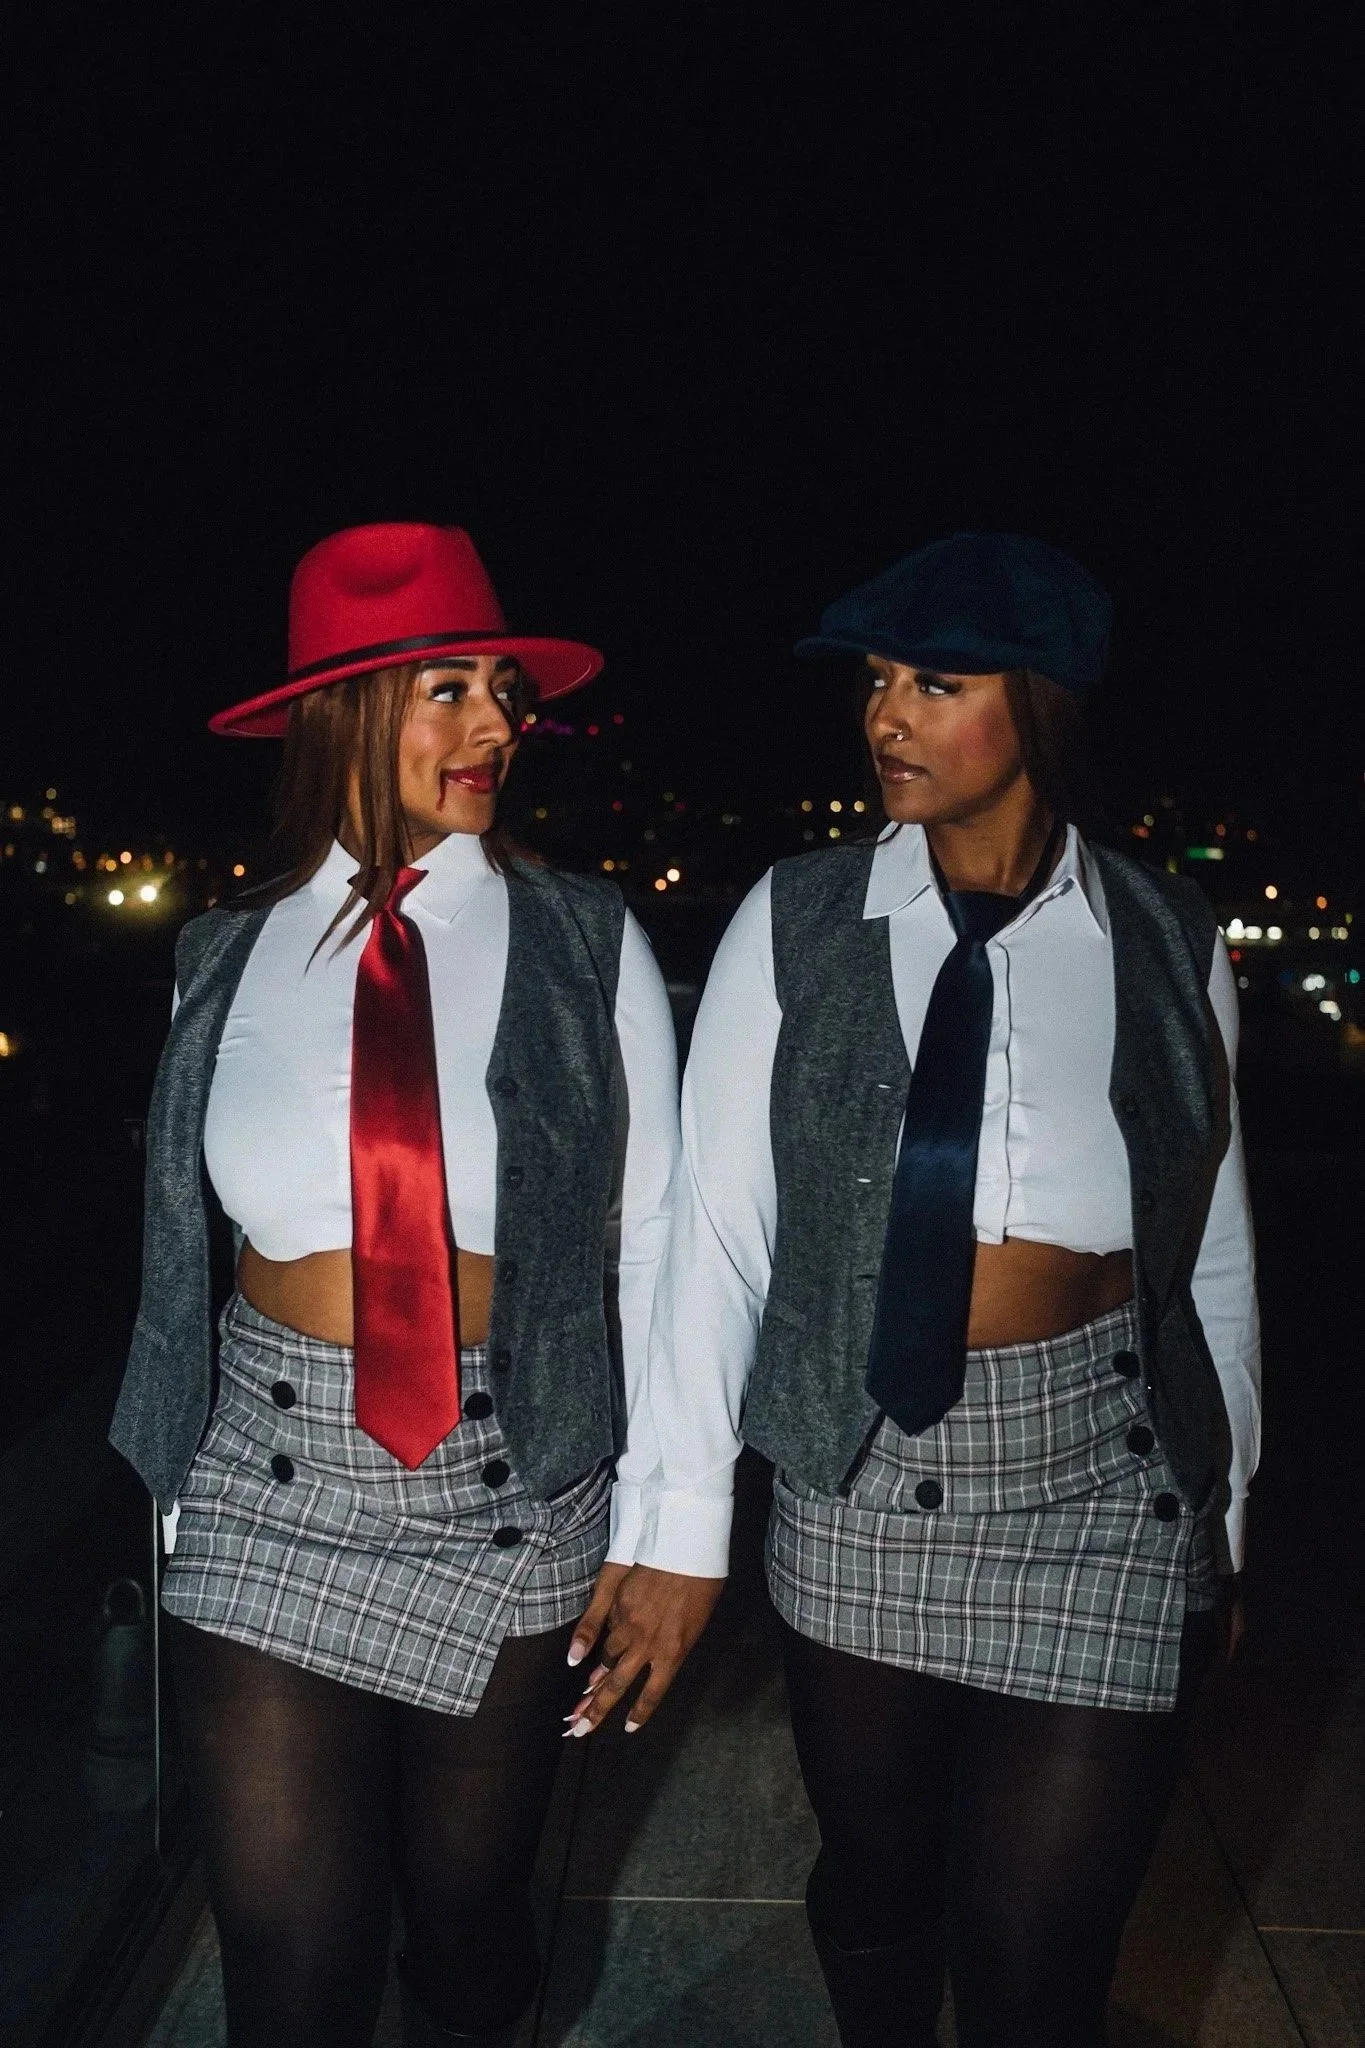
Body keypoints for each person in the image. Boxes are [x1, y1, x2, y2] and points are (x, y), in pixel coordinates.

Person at [577, 533, 1260, 2047]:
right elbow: (720, 1235)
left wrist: (1225, 1505)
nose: (887, 715)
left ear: (1043, 704)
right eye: (879, 681)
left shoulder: (1166, 938)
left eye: (936, 684)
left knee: (1041, 1965)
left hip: (1106, 1482)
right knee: (883, 1890)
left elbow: (1207, 1247)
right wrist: (684, 1529)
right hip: (869, 1471)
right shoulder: (798, 917)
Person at [110, 521, 684, 2048]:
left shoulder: (586, 939)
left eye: (504, 690)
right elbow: (184, 1246)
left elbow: (661, 1242)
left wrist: (665, 1526)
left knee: (471, 1942)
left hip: (507, 1483)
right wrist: (171, 1474)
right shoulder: (219, 953)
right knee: (292, 1973)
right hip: (264, 1480)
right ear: (344, 712)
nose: (498, 724)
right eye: (450, 689)